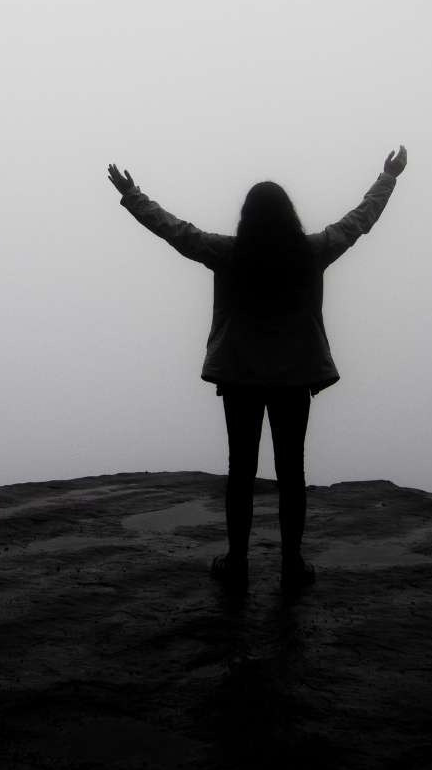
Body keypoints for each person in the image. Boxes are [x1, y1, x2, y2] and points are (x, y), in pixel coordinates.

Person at [107, 147, 407, 592]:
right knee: (292, 472)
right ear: (289, 215)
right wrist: (388, 177)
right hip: (295, 377)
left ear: (247, 216)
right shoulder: (312, 251)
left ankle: (237, 560)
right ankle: (291, 563)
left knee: (241, 471)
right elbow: (359, 220)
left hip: (240, 375)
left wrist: (132, 195)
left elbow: (173, 230)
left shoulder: (227, 253)